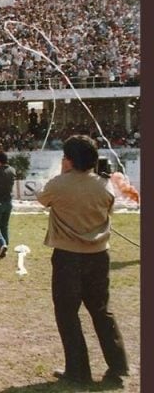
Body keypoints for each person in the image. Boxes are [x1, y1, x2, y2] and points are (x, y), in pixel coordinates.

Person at [36, 135, 130, 386]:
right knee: (102, 311)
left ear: (68, 159)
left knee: (67, 314)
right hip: (99, 255)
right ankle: (118, 368)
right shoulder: (105, 185)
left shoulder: (59, 184)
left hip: (68, 257)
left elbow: (42, 200)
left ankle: (78, 371)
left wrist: (64, 172)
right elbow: (108, 208)